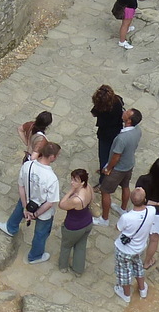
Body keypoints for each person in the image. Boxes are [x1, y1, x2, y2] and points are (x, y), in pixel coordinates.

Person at [0, 140, 61, 263]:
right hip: (43, 212)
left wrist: (25, 207)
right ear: (52, 157)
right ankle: (35, 256)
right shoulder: (52, 178)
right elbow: (50, 202)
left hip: (27, 200)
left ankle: (11, 227)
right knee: (41, 233)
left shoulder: (28, 165)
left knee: (19, 208)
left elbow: (21, 187)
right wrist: (35, 214)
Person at [113, 187, 154, 303]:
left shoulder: (126, 217)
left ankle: (126, 294)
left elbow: (117, 227)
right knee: (138, 266)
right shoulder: (151, 211)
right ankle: (142, 289)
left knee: (124, 272)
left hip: (124, 250)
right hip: (139, 248)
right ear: (145, 199)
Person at [99, 108, 142, 215]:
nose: (124, 112)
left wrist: (108, 168)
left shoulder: (122, 138)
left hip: (118, 169)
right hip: (129, 164)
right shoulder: (137, 130)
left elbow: (116, 156)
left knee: (105, 191)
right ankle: (123, 209)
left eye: (126, 113)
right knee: (125, 186)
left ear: (129, 121)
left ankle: (104, 218)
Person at [91, 84, 125, 216]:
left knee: (104, 157)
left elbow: (95, 115)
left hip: (106, 135)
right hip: (116, 132)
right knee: (113, 153)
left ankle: (102, 181)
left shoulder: (102, 109)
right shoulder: (117, 101)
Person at [136, 157, 159, 269]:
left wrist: (148, 203)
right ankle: (147, 262)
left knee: (138, 235)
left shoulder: (142, 179)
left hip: (143, 211)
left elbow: (137, 196)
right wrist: (156, 205)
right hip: (158, 217)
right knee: (154, 240)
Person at [56, 168, 95, 275]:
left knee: (66, 246)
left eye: (75, 180)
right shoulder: (89, 187)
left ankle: (63, 267)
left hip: (74, 226)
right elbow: (92, 199)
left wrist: (71, 191)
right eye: (72, 179)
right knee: (81, 246)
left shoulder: (76, 199)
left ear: (82, 182)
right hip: (87, 222)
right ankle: (78, 270)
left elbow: (62, 204)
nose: (72, 182)